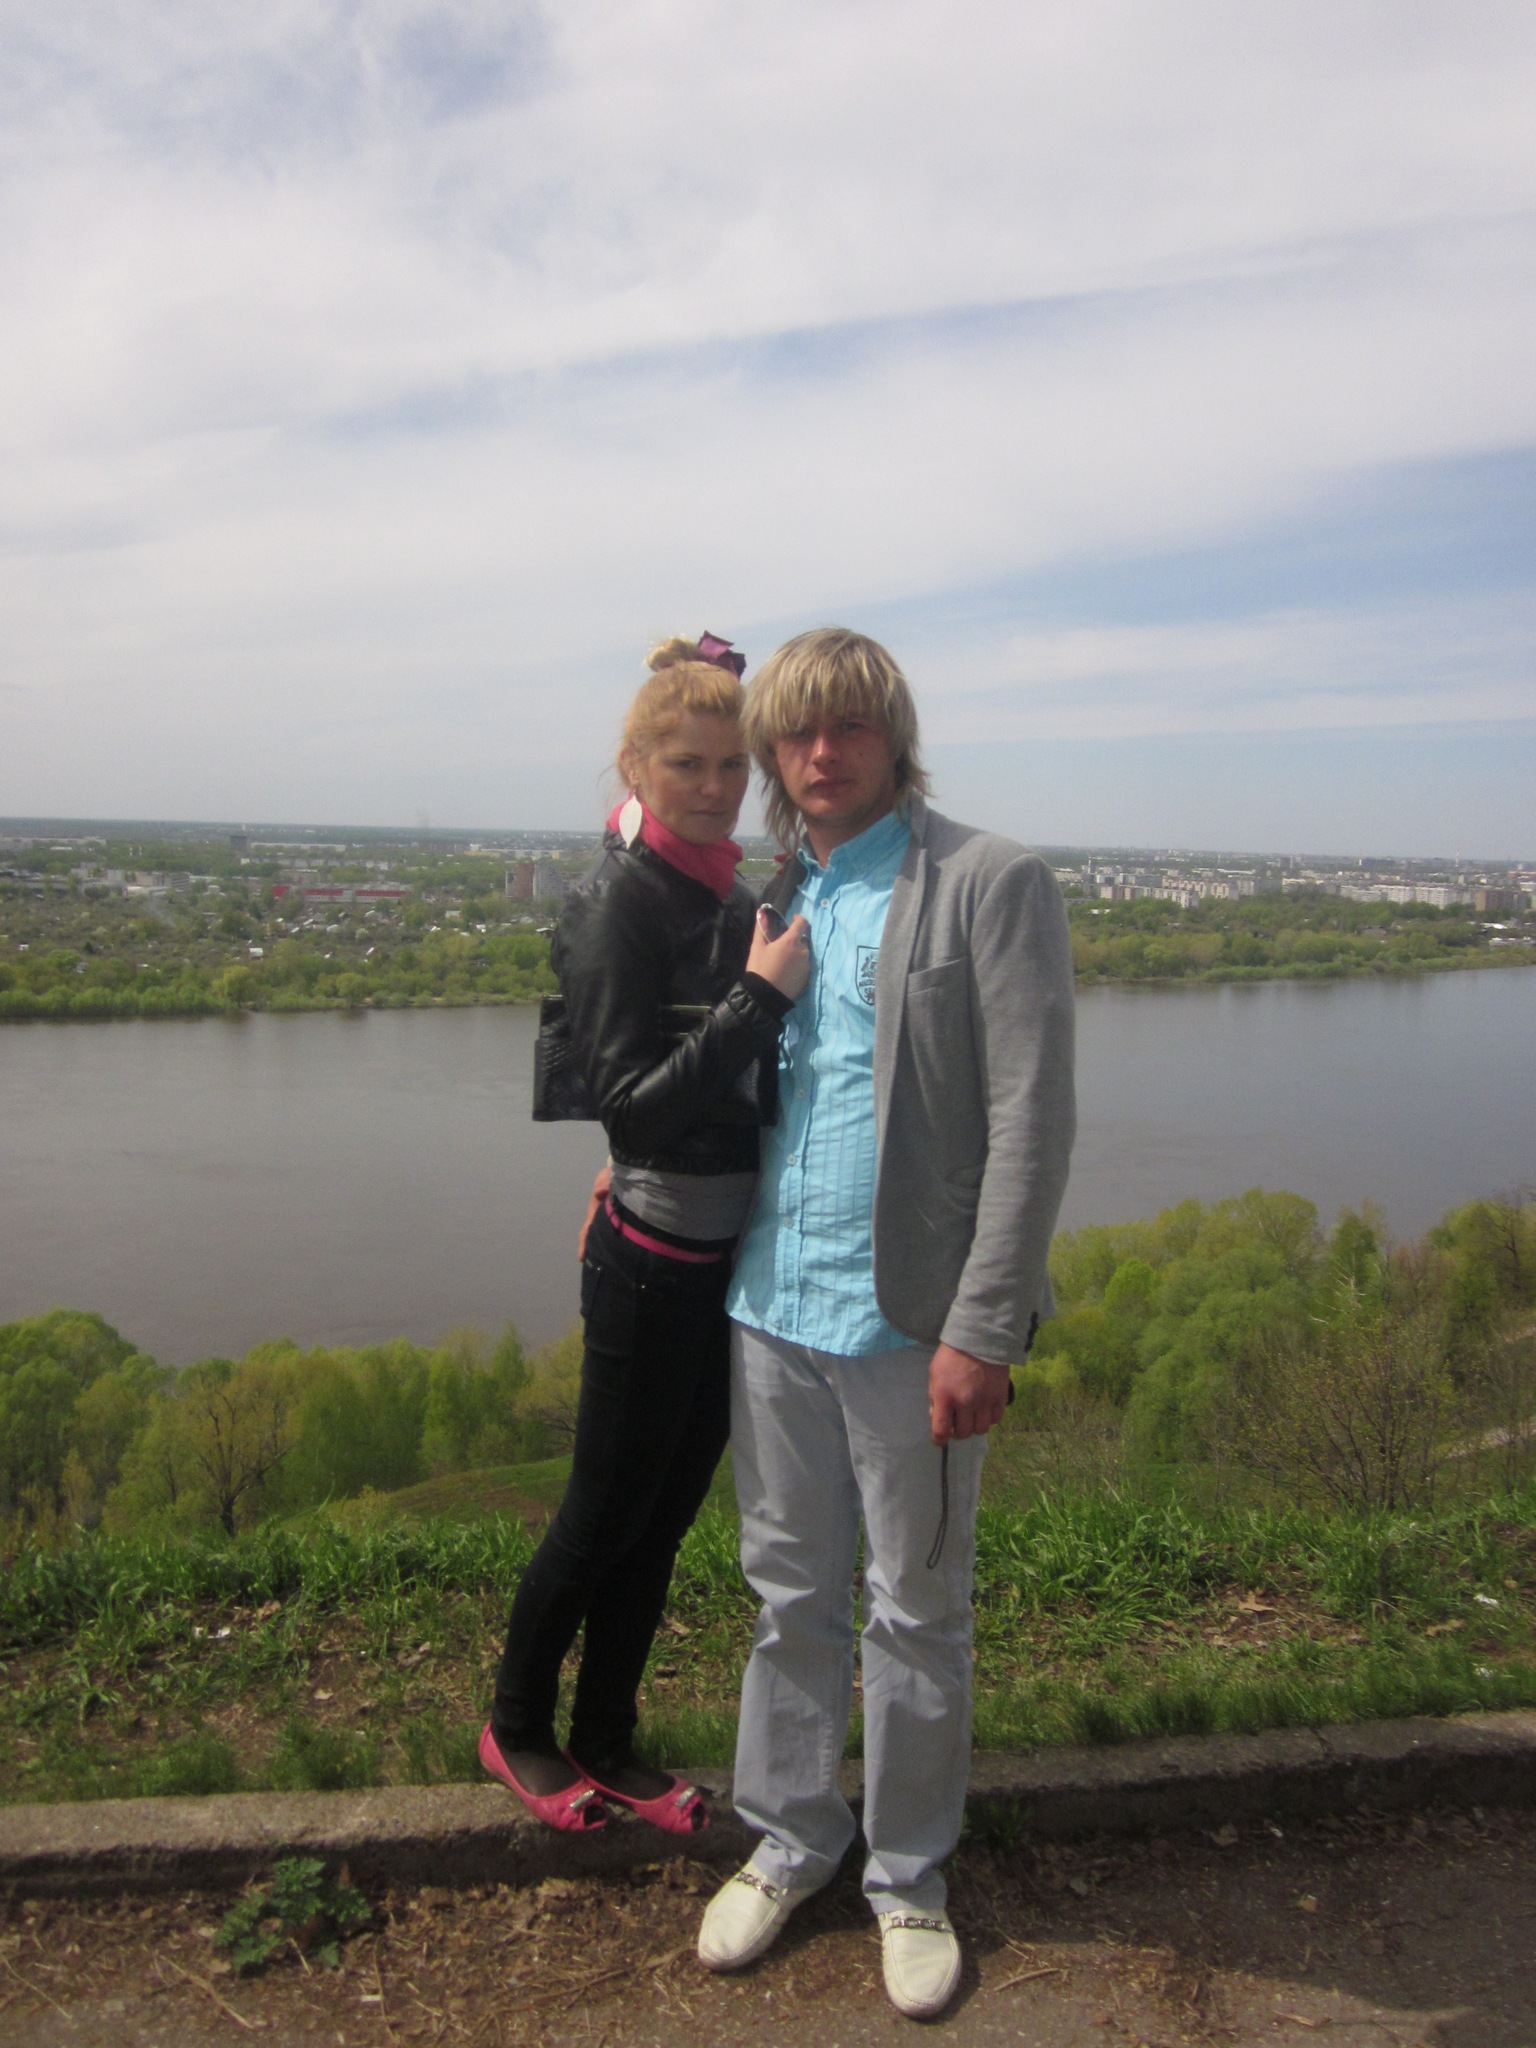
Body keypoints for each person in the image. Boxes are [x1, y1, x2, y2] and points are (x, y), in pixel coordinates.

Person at [696, 628, 1076, 2015]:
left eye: (849, 725)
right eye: (798, 731)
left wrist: (986, 1326)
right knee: (788, 1592)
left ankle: (909, 1875)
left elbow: (1032, 1118)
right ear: (771, 755)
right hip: (771, 1307)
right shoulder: (778, 891)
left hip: (912, 1327)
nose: (822, 751)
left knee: (916, 1607)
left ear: (893, 737)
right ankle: (793, 1836)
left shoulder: (987, 881)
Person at [481, 634, 810, 1834]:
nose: (715, 786)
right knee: (601, 1513)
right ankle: (518, 1725)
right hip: (651, 1264)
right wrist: (757, 1001)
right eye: (687, 764)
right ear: (636, 765)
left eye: (732, 765)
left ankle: (610, 1738)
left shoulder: (721, 891)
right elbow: (632, 1105)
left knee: (662, 1519)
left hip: (728, 1264)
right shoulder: (617, 900)